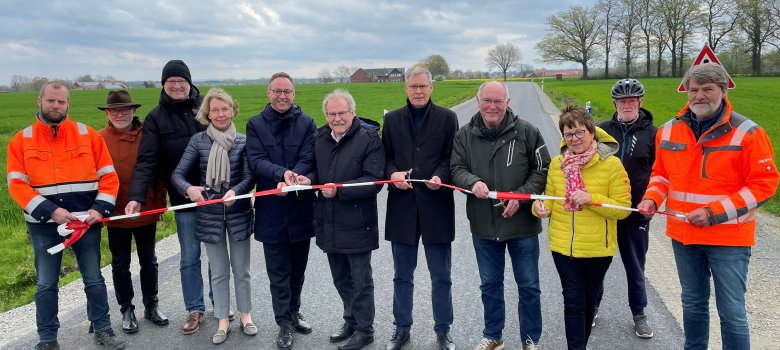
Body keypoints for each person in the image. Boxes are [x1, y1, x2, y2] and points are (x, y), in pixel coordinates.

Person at [638, 62, 779, 349]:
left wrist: (714, 213)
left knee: (731, 312)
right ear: (686, 92)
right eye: (693, 90)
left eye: (707, 89)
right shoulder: (667, 131)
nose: (699, 96)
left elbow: (763, 185)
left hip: (729, 238)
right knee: (692, 303)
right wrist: (651, 198)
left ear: (723, 91)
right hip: (683, 235)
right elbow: (662, 175)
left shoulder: (748, 133)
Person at [7, 81, 125, 350]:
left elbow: (109, 178)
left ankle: (103, 330)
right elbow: (17, 184)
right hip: (44, 226)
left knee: (94, 278)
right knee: (46, 284)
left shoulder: (88, 136)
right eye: (51, 101)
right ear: (40, 101)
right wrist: (51, 211)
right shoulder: (21, 140)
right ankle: (47, 338)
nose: (56, 106)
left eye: (61, 102)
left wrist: (99, 210)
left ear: (68, 104)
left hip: (86, 223)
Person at [450, 81, 550, 350]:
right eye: (487, 100)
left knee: (529, 286)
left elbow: (543, 170)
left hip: (523, 225)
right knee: (490, 286)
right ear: (478, 101)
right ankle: (493, 335)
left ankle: (531, 340)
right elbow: (456, 168)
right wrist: (472, 182)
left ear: (507, 103)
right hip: (484, 225)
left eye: (498, 101)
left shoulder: (528, 132)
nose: (492, 106)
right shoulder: (464, 135)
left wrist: (521, 196)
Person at [532, 106, 631, 350]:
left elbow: (623, 209)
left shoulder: (612, 165)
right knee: (573, 301)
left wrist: (592, 198)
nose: (574, 139)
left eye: (579, 133)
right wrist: (540, 208)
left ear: (592, 133)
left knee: (588, 301)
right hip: (563, 246)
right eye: (568, 134)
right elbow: (550, 200)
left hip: (598, 248)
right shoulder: (558, 164)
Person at [125, 59, 212, 335]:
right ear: (164, 85)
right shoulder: (156, 118)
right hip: (183, 197)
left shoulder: (205, 110)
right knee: (189, 256)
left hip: (214, 196)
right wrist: (136, 196)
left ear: (189, 83)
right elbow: (147, 160)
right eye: (171, 81)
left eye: (181, 81)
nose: (176, 85)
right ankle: (194, 309)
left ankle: (219, 305)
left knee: (218, 256)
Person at [296, 89, 385, 350]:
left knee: (360, 280)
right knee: (340, 278)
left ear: (352, 112)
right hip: (328, 220)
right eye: (331, 114)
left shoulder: (369, 138)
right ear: (325, 115)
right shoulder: (321, 137)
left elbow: (374, 180)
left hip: (358, 221)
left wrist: (340, 189)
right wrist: (308, 179)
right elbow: (315, 168)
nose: (336, 118)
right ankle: (351, 321)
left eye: (341, 113)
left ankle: (365, 329)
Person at [171, 88, 256, 345]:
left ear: (233, 110)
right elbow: (178, 175)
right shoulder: (198, 141)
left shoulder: (242, 141)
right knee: (218, 271)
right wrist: (189, 189)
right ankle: (221, 320)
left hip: (239, 213)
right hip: (208, 215)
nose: (220, 114)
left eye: (225, 108)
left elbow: (250, 176)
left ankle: (245, 316)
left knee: (242, 270)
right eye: (215, 109)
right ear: (207, 113)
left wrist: (235, 191)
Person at [381, 67, 458, 350]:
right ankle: (401, 329)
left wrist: (441, 176)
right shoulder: (391, 120)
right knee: (402, 275)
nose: (418, 91)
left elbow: (452, 157)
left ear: (431, 87)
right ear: (405, 88)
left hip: (436, 206)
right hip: (402, 207)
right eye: (413, 86)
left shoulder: (448, 118)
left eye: (423, 86)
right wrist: (393, 175)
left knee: (441, 275)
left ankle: (443, 329)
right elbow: (385, 158)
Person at [245, 72, 316, 350]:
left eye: (287, 91)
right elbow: (256, 160)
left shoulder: (308, 123)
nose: (282, 96)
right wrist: (281, 173)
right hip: (271, 211)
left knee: (298, 270)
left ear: (294, 94)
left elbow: (309, 157)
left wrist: (295, 176)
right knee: (278, 272)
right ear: (268, 93)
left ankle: (294, 311)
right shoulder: (256, 124)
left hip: (301, 208)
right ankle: (283, 323)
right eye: (277, 91)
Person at [97, 90, 169, 334]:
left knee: (149, 260)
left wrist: (158, 203)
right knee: (120, 263)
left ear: (133, 111)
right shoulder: (98, 139)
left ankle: (151, 305)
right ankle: (126, 308)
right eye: (114, 110)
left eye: (125, 110)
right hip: (114, 211)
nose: (120, 114)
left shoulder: (146, 136)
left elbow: (159, 172)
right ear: (107, 113)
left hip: (145, 208)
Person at [593, 79, 657, 338]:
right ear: (615, 103)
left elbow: (661, 174)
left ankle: (639, 314)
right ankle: (593, 307)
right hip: (605, 211)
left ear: (640, 103)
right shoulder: (601, 131)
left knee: (635, 265)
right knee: (597, 264)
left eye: (632, 101)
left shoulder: (654, 134)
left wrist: (653, 200)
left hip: (635, 213)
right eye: (622, 101)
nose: (627, 105)